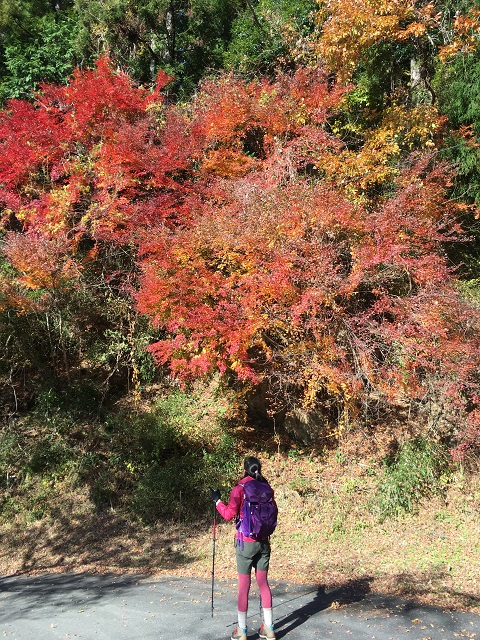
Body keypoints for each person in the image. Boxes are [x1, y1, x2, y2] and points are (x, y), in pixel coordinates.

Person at [211, 456, 277, 640]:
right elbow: (274, 512)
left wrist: (217, 501)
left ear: (244, 469)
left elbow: (228, 514)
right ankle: (269, 628)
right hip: (264, 542)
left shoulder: (239, 489)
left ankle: (241, 631)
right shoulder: (267, 488)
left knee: (244, 587)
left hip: (245, 543)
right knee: (263, 583)